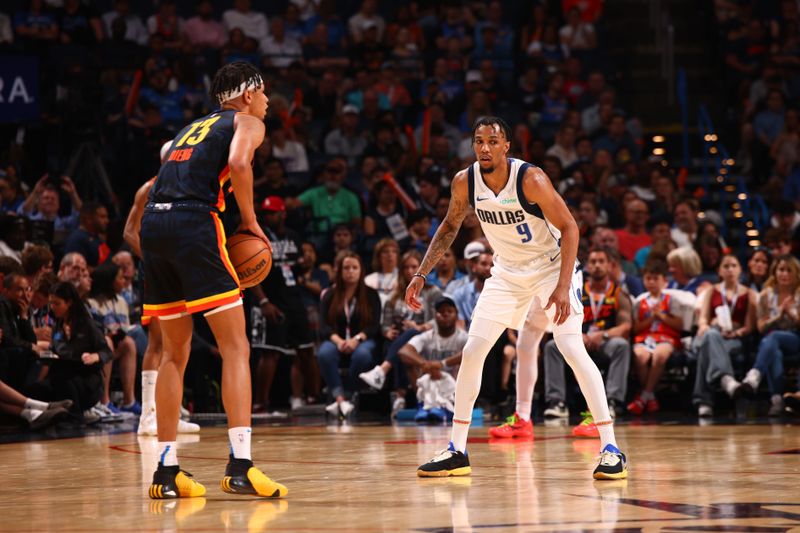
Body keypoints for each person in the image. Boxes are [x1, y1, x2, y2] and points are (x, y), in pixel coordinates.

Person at [406, 116, 626, 480]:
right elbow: (448, 227)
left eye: (493, 141)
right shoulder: (465, 182)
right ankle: (457, 450)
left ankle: (611, 448)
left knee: (570, 347)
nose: (485, 148)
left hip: (552, 266)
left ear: (506, 145)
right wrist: (421, 273)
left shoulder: (531, 179)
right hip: (507, 272)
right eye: (479, 142)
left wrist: (561, 285)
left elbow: (571, 227)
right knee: (475, 350)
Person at [140, 62, 287, 499]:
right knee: (236, 346)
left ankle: (166, 473)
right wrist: (250, 222)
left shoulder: (189, 128)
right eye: (263, 94)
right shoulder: (247, 122)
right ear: (247, 95)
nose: (265, 103)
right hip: (193, 224)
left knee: (173, 352)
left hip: (155, 223)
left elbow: (165, 159)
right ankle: (240, 465)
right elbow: (240, 163)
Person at [122, 147, 201, 437]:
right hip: (156, 268)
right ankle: (147, 416)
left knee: (178, 343)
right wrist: (155, 258)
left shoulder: (189, 187)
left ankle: (170, 411)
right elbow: (130, 232)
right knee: (157, 342)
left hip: (178, 268)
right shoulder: (149, 188)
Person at [541, 247, 632, 428]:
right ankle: (557, 402)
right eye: (593, 262)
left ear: (609, 265)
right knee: (552, 346)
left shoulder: (618, 294)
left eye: (601, 261)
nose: (597, 265)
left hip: (605, 342)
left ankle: (612, 401)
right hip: (578, 339)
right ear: (587, 266)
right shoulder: (577, 288)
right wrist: (577, 335)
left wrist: (603, 334)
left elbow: (626, 326)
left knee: (621, 345)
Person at [317, 252, 382, 417]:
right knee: (324, 353)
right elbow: (323, 326)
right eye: (346, 268)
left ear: (361, 271)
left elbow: (374, 325)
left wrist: (357, 339)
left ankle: (348, 393)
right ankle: (340, 398)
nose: (350, 271)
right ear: (339, 271)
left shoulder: (371, 294)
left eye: (354, 268)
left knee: (362, 355)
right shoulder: (329, 294)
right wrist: (338, 341)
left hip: (362, 339)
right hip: (336, 339)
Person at [693, 255, 756, 417]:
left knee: (707, 346)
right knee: (711, 335)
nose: (730, 269)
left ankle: (704, 401)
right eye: (726, 266)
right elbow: (703, 319)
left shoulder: (748, 293)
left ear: (740, 269)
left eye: (734, 265)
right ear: (719, 271)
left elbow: (749, 327)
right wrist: (706, 325)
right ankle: (727, 381)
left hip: (734, 339)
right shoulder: (711, 291)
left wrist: (735, 332)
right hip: (714, 332)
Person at [740, 255, 800, 416]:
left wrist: (791, 315)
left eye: (789, 270)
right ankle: (777, 399)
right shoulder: (766, 295)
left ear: (796, 273)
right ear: (774, 272)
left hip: (796, 338)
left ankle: (755, 374)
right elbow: (761, 327)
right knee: (773, 348)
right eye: (781, 269)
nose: (784, 274)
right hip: (772, 341)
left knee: (772, 338)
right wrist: (778, 317)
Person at [628, 260, 683, 415]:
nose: (651, 282)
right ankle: (649, 396)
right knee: (640, 356)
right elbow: (635, 328)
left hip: (666, 338)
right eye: (648, 278)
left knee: (659, 355)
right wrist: (651, 317)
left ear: (664, 281)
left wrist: (661, 316)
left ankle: (643, 396)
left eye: (655, 278)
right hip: (645, 339)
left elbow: (679, 324)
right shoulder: (640, 302)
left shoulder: (671, 300)